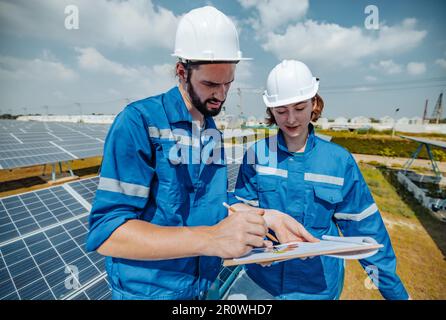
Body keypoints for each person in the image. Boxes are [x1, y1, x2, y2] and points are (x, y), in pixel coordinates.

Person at [86, 7, 314, 300]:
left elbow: (209, 202)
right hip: (149, 293)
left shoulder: (211, 130)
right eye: (210, 84)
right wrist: (211, 238)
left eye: (228, 83)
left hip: (204, 287)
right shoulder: (139, 122)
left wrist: (265, 216)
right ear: (182, 72)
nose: (221, 94)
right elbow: (108, 233)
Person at [226, 60, 409, 300]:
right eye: (281, 111)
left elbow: (366, 229)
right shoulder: (257, 155)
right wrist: (257, 245)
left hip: (317, 288)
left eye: (299, 108)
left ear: (314, 103)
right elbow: (242, 213)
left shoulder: (339, 161)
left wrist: (396, 294)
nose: (291, 119)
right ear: (271, 111)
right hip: (263, 284)